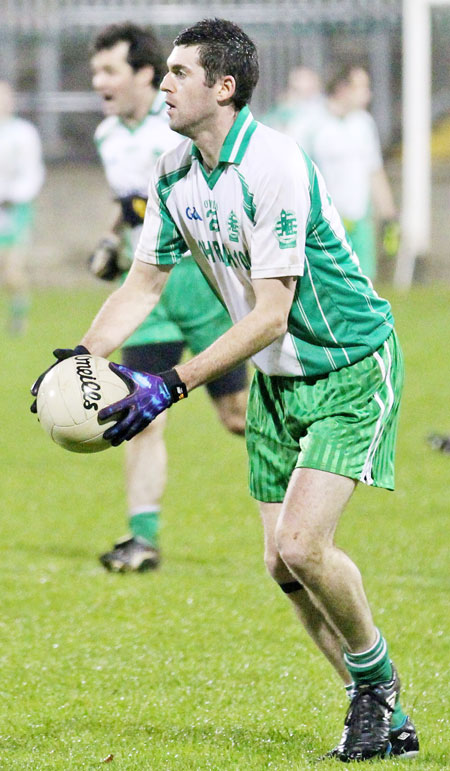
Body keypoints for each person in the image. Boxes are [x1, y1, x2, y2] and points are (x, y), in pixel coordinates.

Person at [31, 18, 418, 761]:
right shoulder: (174, 170)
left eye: (179, 72)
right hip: (278, 384)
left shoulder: (273, 164)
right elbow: (143, 283)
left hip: (346, 364)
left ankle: (379, 688)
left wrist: (170, 383)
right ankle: (377, 710)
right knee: (281, 563)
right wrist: (79, 360)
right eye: (166, 71)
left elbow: (272, 314)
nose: (164, 83)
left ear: (224, 87)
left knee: (304, 545)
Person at [88, 22, 248, 573]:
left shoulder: (180, 126)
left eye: (109, 69)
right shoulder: (108, 135)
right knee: (144, 415)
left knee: (237, 415)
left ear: (144, 74)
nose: (97, 80)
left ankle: (326, 457)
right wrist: (113, 238)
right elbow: (131, 202)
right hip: (146, 289)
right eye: (96, 70)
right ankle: (142, 537)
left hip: (200, 284)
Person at [303, 65, 399, 280]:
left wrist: (389, 214)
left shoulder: (363, 123)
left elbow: (374, 170)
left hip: (360, 221)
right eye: (361, 87)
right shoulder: (313, 123)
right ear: (342, 88)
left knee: (364, 284)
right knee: (331, 285)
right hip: (325, 223)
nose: (368, 94)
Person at [0, 80, 45, 334]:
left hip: (14, 209)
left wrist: (16, 196)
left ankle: (19, 316)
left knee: (12, 268)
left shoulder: (23, 133)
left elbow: (31, 171)